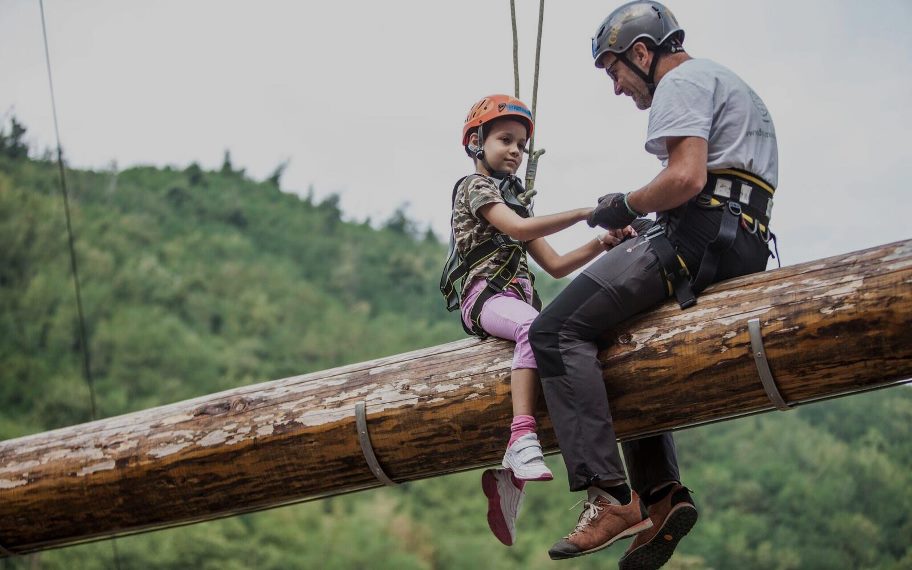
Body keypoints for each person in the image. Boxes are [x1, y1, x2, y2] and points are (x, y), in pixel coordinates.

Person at [527, 1, 779, 567]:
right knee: (621, 341)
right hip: (743, 238)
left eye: (614, 71)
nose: (617, 87)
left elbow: (685, 177)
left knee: (556, 330)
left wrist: (626, 203)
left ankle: (610, 497)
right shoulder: (727, 81)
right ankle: (661, 496)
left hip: (698, 232)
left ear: (642, 53)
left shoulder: (679, 83)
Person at [441, 94, 637, 547]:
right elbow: (518, 230)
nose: (515, 150)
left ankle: (510, 479)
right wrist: (588, 213)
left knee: (557, 358)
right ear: (476, 143)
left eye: (521, 145)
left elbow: (556, 265)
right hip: (487, 297)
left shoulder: (515, 203)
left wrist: (601, 244)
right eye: (505, 140)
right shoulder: (474, 188)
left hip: (518, 299)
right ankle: (520, 437)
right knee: (536, 330)